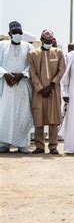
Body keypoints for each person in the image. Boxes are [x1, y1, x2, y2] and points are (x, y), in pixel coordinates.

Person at [28, 29, 65, 154]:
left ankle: (53, 146)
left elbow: (61, 70)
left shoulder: (59, 53)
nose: (49, 42)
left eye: (51, 41)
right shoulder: (33, 54)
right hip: (39, 92)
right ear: (42, 40)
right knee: (39, 117)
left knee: (53, 119)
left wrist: (52, 84)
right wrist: (40, 88)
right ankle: (39, 146)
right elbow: (32, 73)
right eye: (47, 40)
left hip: (53, 91)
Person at [0, 21, 34, 154]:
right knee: (5, 114)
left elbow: (33, 65)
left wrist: (23, 74)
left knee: (22, 114)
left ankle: (22, 144)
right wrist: (5, 74)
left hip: (22, 85)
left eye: (20, 32)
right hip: (6, 85)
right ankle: (4, 143)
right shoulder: (2, 45)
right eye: (15, 33)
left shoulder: (28, 47)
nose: (18, 35)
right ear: (9, 34)